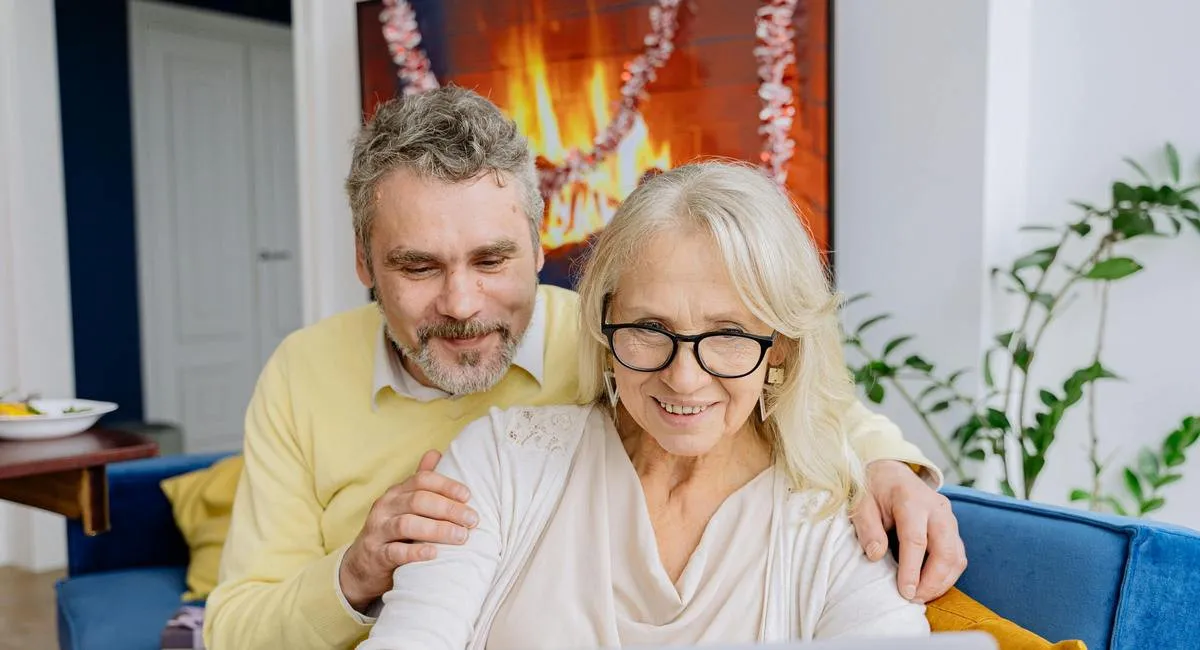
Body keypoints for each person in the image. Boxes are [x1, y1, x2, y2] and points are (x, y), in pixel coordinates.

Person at [203, 86, 965, 650]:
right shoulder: (303, 374)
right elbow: (231, 627)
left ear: (540, 251)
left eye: (493, 258)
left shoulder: (616, 332)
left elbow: (777, 384)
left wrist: (888, 464)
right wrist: (359, 572)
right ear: (365, 263)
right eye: (418, 266)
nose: (462, 301)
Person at [360, 160, 931, 649]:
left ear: (778, 345)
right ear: (606, 327)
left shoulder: (841, 524)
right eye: (650, 328)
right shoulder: (501, 462)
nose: (684, 378)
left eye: (727, 333)